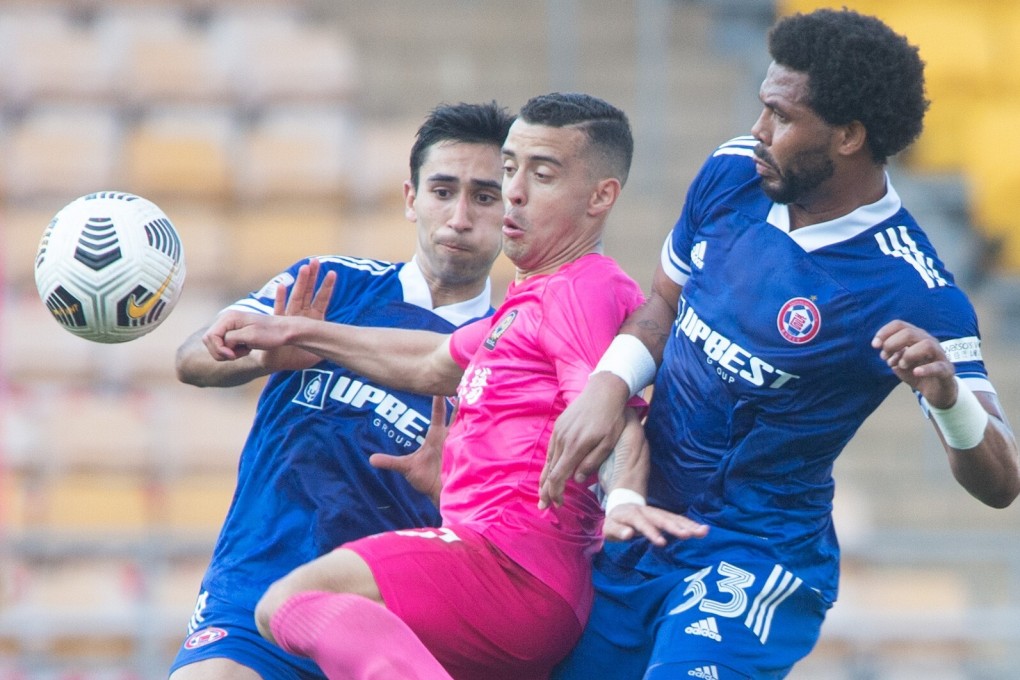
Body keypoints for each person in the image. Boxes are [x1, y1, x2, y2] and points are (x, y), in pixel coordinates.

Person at [541, 9, 1020, 679]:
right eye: (763, 107)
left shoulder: (913, 288)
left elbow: (1002, 483)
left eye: (782, 117)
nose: (759, 130)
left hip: (754, 551)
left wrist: (945, 396)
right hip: (641, 519)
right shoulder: (731, 174)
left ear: (850, 135)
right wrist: (608, 385)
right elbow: (662, 306)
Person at [201, 92, 706, 680]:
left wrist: (623, 499)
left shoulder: (582, 289)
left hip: (509, 567)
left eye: (539, 175)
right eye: (510, 168)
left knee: (288, 601)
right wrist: (303, 331)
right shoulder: (527, 303)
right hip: (506, 576)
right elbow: (432, 362)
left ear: (601, 197)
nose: (514, 191)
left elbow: (611, 415)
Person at [168, 101, 515, 680]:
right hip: (257, 589)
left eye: (484, 196)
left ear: (511, 212)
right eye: (442, 190)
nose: (459, 216)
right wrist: (260, 359)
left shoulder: (512, 351)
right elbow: (192, 360)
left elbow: (502, 530)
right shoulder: (333, 283)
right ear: (411, 198)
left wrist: (453, 486)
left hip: (391, 625)